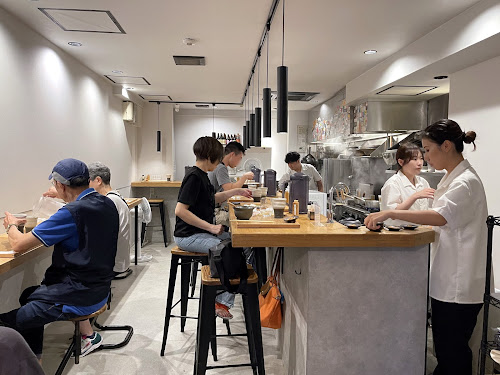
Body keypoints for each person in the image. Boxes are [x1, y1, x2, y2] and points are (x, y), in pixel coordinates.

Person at [365, 119, 487, 375]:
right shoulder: (452, 178)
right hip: (448, 281)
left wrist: (389, 212)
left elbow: (438, 216)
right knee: (447, 351)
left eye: (428, 150)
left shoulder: (465, 182)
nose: (426, 158)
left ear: (446, 146)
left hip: (459, 286)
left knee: (452, 354)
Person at [0, 158, 119, 360]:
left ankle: (26, 364)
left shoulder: (71, 213)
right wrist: (66, 196)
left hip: (77, 295)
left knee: (5, 322)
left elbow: (19, 244)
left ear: (60, 185)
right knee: (29, 294)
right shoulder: (106, 203)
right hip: (100, 289)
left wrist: (11, 225)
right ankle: (35, 357)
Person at [174, 136, 252, 319]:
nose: (218, 163)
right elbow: (180, 211)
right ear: (210, 157)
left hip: (198, 232)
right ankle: (220, 300)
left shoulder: (202, 176)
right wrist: (210, 227)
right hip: (188, 236)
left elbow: (211, 199)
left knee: (242, 244)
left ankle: (223, 297)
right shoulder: (194, 177)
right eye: (217, 159)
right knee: (231, 250)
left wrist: (237, 191)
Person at [380, 142, 435, 226]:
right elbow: (392, 213)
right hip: (399, 234)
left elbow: (430, 208)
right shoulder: (393, 183)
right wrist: (415, 196)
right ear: (401, 162)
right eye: (415, 159)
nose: (420, 163)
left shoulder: (423, 182)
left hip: (421, 233)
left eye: (421, 158)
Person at [208, 141, 254, 226]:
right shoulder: (220, 167)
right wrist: (244, 177)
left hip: (216, 208)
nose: (239, 162)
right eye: (240, 158)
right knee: (245, 220)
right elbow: (229, 189)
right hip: (215, 212)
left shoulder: (221, 166)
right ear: (232, 155)